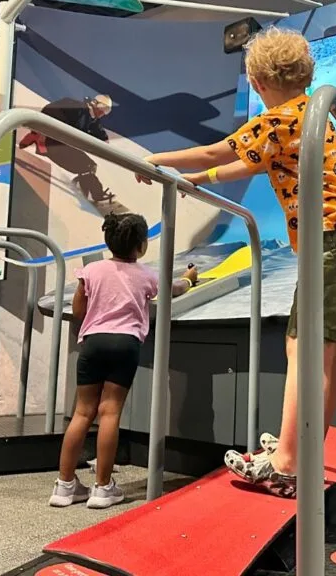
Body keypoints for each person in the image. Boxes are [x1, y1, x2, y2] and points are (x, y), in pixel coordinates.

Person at [136, 27, 336, 497]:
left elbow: (217, 151)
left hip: (331, 239)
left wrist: (156, 159)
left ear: (257, 82)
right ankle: (300, 450)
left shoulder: (276, 119)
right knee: (318, 352)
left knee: (305, 351)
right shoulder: (308, 112)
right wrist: (200, 179)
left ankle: (287, 464)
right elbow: (246, 162)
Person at [50, 212, 198, 508]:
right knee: (110, 412)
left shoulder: (91, 271)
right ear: (141, 246)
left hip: (93, 343)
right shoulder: (146, 275)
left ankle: (64, 486)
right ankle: (103, 488)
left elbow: (79, 310)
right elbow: (174, 290)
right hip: (125, 344)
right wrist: (189, 279)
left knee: (82, 413)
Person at [19, 95, 115, 205]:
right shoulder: (75, 107)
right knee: (87, 166)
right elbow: (48, 111)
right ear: (95, 103)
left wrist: (104, 141)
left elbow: (99, 132)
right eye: (103, 108)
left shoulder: (92, 118)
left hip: (61, 144)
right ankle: (95, 195)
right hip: (52, 144)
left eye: (107, 111)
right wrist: (37, 133)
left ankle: (82, 187)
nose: (103, 113)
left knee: (90, 166)